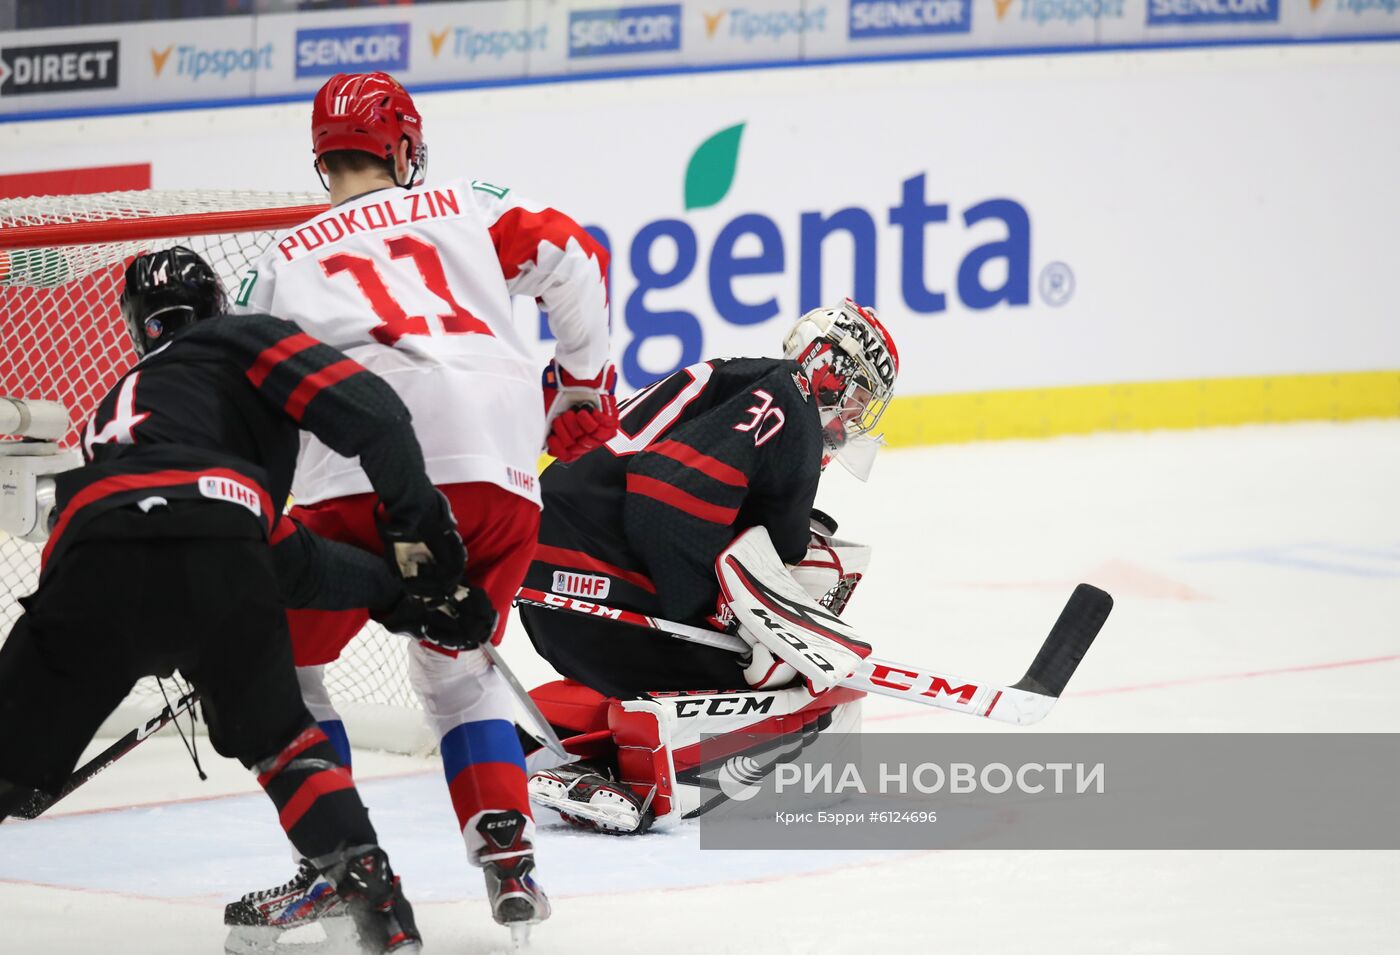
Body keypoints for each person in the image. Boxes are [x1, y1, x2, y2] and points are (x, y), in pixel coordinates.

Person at [0, 247, 487, 953]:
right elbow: (371, 415)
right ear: (217, 306)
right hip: (223, 551)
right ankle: (378, 906)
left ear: (139, 327)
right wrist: (419, 540)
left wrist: (394, 597)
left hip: (92, 558)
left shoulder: (118, 410)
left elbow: (275, 545)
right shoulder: (238, 339)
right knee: (284, 744)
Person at [230, 71, 614, 938]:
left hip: (355, 482)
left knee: (282, 672)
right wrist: (585, 385)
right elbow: (573, 255)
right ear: (403, 145)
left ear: (323, 156)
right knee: (458, 663)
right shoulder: (466, 203)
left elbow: (241, 391)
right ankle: (509, 860)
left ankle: (334, 862)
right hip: (495, 478)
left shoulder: (283, 257)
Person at [517, 299, 898, 834]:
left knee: (771, 653)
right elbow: (663, 499)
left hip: (556, 597)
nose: (856, 417)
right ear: (828, 367)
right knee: (800, 687)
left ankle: (565, 728)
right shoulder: (786, 395)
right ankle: (620, 762)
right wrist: (727, 617)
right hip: (597, 591)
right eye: (859, 396)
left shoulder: (748, 387)